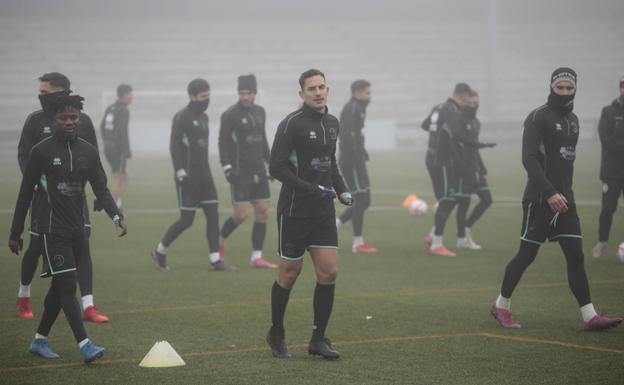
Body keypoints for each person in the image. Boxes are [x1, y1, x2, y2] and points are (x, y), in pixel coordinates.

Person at [490, 68, 622, 331]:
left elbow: (565, 165)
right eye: (559, 87)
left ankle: (589, 316)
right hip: (539, 199)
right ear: (551, 88)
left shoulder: (573, 120)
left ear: (575, 90)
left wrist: (563, 194)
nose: (563, 92)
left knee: (575, 256)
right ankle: (501, 305)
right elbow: (528, 159)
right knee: (526, 255)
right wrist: (549, 192)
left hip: (566, 201)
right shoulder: (538, 117)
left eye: (568, 88)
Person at [9, 93, 127, 363]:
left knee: (57, 289)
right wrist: (15, 233)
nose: (70, 122)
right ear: (54, 119)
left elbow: (100, 186)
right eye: (64, 118)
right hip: (53, 231)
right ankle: (85, 345)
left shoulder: (88, 150)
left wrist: (115, 215)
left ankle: (39, 340)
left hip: (77, 231)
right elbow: (25, 193)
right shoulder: (41, 152)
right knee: (68, 285)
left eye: (74, 117)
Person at [266, 69, 353, 360]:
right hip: (294, 211)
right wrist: (311, 189)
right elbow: (276, 168)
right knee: (289, 274)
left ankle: (318, 339)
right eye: (311, 88)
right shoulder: (291, 124)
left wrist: (342, 189)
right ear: (301, 93)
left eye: (322, 87)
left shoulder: (332, 123)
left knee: (329, 272)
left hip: (323, 212)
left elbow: (331, 164)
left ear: (328, 90)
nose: (318, 92)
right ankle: (276, 332)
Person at [16, 72, 109, 323]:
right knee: (35, 248)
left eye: (45, 93)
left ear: (61, 92)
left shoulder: (83, 121)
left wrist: (101, 192)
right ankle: (23, 294)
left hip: (74, 199)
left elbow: (93, 159)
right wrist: (35, 181)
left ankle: (88, 305)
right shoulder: (34, 121)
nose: (40, 97)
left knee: (83, 247)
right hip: (43, 199)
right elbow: (24, 155)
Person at [152, 78, 235, 272]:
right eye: (203, 97)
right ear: (192, 96)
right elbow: (174, 145)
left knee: (213, 215)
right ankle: (159, 250)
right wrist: (180, 171)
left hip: (205, 175)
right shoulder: (182, 117)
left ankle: (215, 260)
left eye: (208, 96)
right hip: (188, 177)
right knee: (186, 220)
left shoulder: (204, 118)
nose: (207, 100)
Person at [218, 74, 276, 269]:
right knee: (242, 215)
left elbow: (263, 139)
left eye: (248, 93)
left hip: (258, 169)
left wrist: (271, 163)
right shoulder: (230, 114)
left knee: (262, 211)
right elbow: (222, 142)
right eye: (242, 93)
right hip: (239, 171)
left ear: (255, 93)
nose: (245, 97)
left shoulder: (261, 112)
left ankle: (256, 257)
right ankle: (219, 239)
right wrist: (227, 167)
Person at [421, 83, 473, 257]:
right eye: (468, 99)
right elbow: (454, 135)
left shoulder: (439, 106)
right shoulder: (453, 110)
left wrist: (436, 134)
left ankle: (433, 236)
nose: (469, 103)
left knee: (447, 199)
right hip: (442, 159)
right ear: (464, 96)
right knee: (448, 199)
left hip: (431, 156)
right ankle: (436, 244)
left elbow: (425, 124)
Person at [336, 79, 377, 253]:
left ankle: (334, 225)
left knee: (365, 201)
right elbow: (347, 135)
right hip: (351, 162)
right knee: (360, 200)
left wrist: (362, 151)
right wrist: (353, 157)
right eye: (367, 93)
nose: (370, 96)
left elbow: (356, 135)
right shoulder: (352, 108)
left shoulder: (359, 108)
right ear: (357, 93)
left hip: (357, 160)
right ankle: (358, 244)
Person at [454, 90, 495, 250]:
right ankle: (461, 238)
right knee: (463, 204)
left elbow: (474, 147)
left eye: (475, 103)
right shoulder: (459, 121)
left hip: (475, 167)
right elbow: (460, 145)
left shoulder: (476, 122)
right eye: (469, 103)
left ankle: (466, 228)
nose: (472, 106)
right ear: (463, 103)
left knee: (487, 199)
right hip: (463, 170)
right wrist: (459, 167)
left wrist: (481, 166)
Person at [591, 76, 624, 258]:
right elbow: (607, 140)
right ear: (620, 89)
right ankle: (602, 242)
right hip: (611, 172)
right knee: (608, 208)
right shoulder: (608, 112)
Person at [100, 84, 133, 209]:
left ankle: (116, 201)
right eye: (131, 95)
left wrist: (107, 142)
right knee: (118, 179)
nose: (132, 98)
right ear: (124, 95)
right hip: (118, 149)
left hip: (109, 147)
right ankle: (113, 208)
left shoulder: (111, 107)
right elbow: (122, 131)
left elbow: (102, 126)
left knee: (124, 177)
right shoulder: (124, 110)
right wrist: (126, 150)